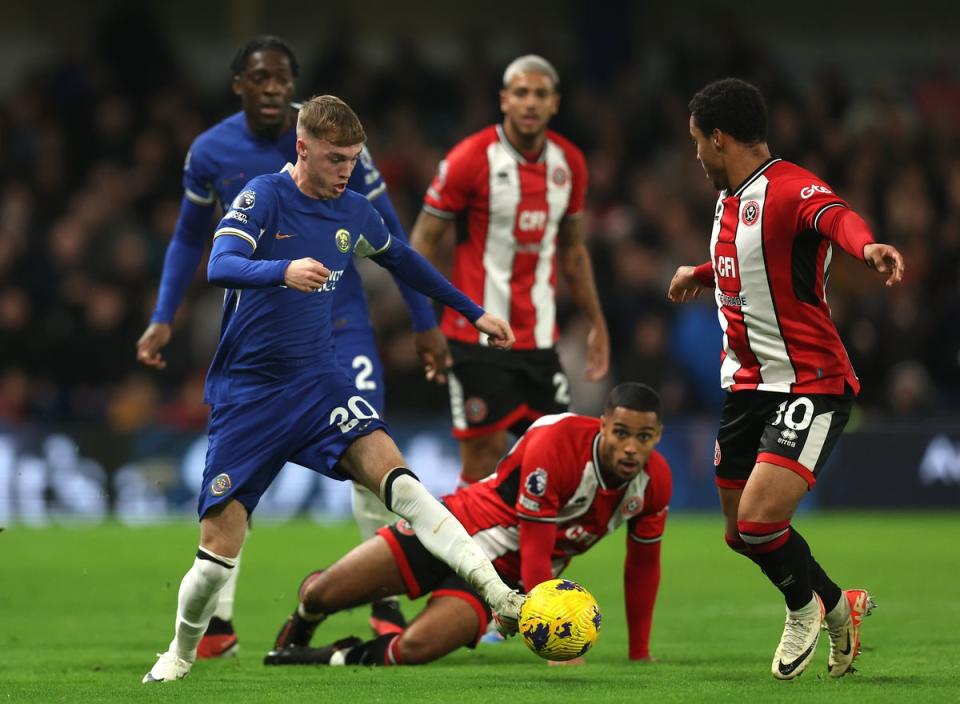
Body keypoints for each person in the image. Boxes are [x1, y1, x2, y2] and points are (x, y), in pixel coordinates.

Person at [142, 95, 525, 684]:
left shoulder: (354, 212)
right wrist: (282, 270)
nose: (347, 168)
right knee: (215, 562)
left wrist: (472, 313)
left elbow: (405, 261)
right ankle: (180, 653)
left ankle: (500, 595)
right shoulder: (264, 196)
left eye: (353, 157)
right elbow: (219, 263)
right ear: (303, 148)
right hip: (249, 398)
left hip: (320, 388)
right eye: (335, 157)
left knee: (402, 483)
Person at [135, 36, 445, 656]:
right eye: (262, 78)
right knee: (239, 475)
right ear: (239, 84)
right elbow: (187, 240)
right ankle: (217, 622)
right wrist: (163, 315)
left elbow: (394, 243)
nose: (274, 88)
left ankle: (381, 598)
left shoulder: (331, 137)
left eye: (284, 78)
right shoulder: (211, 152)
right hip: (262, 329)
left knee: (368, 447)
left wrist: (424, 319)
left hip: (340, 318)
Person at [668, 78, 902, 680]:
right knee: (736, 534)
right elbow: (750, 258)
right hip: (746, 385)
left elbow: (836, 217)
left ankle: (805, 610)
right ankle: (837, 601)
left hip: (809, 382)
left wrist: (868, 246)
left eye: (697, 141)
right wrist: (701, 272)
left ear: (718, 139)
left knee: (759, 522)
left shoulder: (792, 186)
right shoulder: (728, 198)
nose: (694, 154)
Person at [262, 383, 670, 667]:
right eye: (621, 433)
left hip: (504, 579)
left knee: (417, 648)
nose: (631, 447)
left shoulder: (655, 483)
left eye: (644, 437)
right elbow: (535, 546)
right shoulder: (558, 444)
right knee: (322, 594)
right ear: (603, 426)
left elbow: (643, 568)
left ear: (658, 436)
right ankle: (305, 618)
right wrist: (549, 630)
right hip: (454, 528)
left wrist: (640, 652)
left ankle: (332, 657)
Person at [410, 54, 609, 486]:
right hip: (473, 337)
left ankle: (527, 554)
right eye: (521, 92)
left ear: (555, 102)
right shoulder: (469, 158)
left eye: (540, 94)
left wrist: (596, 321)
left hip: (539, 339)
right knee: (483, 457)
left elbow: (573, 252)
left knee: (556, 459)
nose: (530, 102)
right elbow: (422, 241)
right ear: (504, 99)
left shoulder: (569, 163)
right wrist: (425, 322)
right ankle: (467, 554)